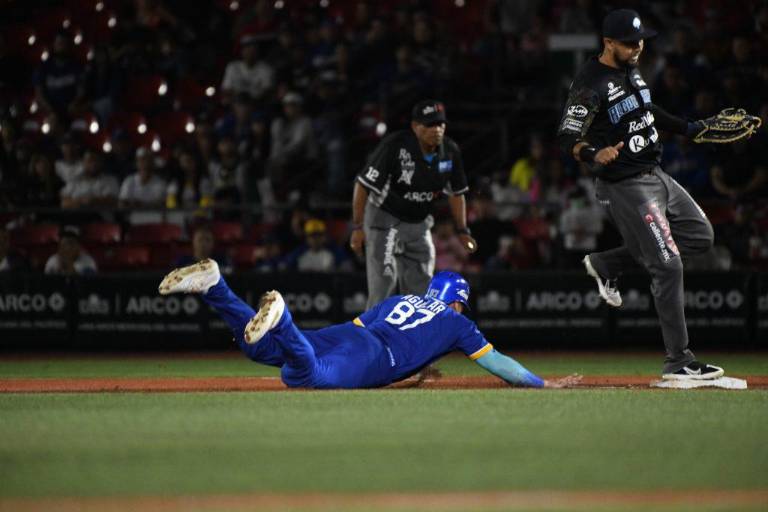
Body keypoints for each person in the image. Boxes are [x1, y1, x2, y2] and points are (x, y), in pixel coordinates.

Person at [556, 9, 755, 380]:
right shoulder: (591, 82)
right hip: (626, 185)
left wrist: (690, 128)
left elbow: (646, 109)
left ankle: (609, 263)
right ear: (608, 43)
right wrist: (591, 153)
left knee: (701, 235)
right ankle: (679, 361)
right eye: (629, 42)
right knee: (668, 265)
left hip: (657, 174)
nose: (637, 47)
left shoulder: (630, 69)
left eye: (640, 40)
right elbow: (568, 134)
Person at [158, 259, 581, 390]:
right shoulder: (458, 324)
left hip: (354, 333)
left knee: (263, 351)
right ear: (458, 302)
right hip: (375, 354)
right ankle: (283, 318)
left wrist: (413, 371)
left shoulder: (401, 297)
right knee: (306, 377)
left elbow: (357, 325)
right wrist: (545, 384)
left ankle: (216, 288)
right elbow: (499, 364)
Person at [350, 100, 478, 308]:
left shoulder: (450, 151)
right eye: (429, 125)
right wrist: (357, 227)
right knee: (384, 282)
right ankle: (372, 337)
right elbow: (363, 185)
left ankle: (415, 336)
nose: (436, 130)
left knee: (423, 286)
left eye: (440, 124)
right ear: (415, 126)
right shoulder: (395, 145)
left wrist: (462, 230)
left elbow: (456, 194)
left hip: (418, 222)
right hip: (385, 218)